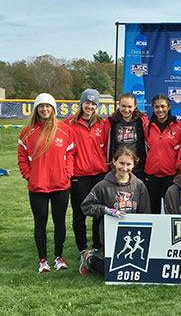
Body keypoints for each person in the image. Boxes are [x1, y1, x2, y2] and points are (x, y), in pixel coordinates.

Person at [18, 93, 74, 273]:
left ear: (53, 109)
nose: (45, 109)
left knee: (59, 222)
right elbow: (22, 157)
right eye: (41, 106)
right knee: (40, 223)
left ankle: (59, 256)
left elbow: (71, 154)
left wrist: (67, 174)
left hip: (61, 185)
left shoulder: (65, 129)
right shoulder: (27, 131)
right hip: (37, 186)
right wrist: (29, 175)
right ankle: (43, 259)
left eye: (48, 106)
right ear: (36, 109)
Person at [80, 146, 151, 275]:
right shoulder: (103, 186)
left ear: (134, 165)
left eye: (128, 164)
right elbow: (86, 206)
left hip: (133, 235)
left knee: (136, 271)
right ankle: (90, 260)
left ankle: (94, 260)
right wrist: (105, 209)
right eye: (121, 163)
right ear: (114, 162)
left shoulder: (139, 186)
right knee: (115, 272)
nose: (124, 168)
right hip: (110, 234)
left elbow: (145, 213)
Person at [64, 89, 108, 261]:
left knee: (99, 212)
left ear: (97, 106)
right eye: (87, 103)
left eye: (93, 104)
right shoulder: (69, 124)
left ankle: (97, 246)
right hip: (79, 175)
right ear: (81, 103)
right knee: (79, 212)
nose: (90, 106)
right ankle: (82, 248)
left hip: (99, 174)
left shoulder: (103, 124)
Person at [144, 94, 181, 214]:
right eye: (157, 107)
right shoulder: (147, 126)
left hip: (171, 175)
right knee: (153, 211)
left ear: (169, 107)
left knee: (171, 210)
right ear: (153, 108)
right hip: (151, 174)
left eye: (163, 106)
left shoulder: (179, 126)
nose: (160, 110)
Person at [106, 92, 148, 181]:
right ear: (119, 105)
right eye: (123, 106)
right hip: (118, 169)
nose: (126, 109)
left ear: (135, 106)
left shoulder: (141, 122)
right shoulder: (111, 123)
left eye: (129, 107)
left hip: (138, 169)